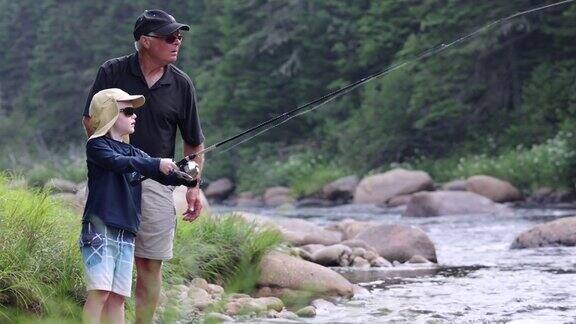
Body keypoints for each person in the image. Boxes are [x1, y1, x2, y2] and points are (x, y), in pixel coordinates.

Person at [82, 9, 205, 323]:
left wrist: (193, 186)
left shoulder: (182, 84)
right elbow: (90, 119)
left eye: (179, 37)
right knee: (111, 269)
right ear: (146, 41)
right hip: (114, 180)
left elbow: (193, 143)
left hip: (157, 184)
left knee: (149, 264)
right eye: (170, 37)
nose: (177, 42)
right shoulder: (112, 71)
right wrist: (112, 155)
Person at [81, 88, 196, 324]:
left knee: (117, 297)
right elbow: (121, 163)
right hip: (100, 230)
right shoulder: (97, 146)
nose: (135, 116)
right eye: (128, 111)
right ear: (110, 113)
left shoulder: (134, 151)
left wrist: (186, 176)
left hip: (126, 231)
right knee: (100, 292)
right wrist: (155, 163)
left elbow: (161, 173)